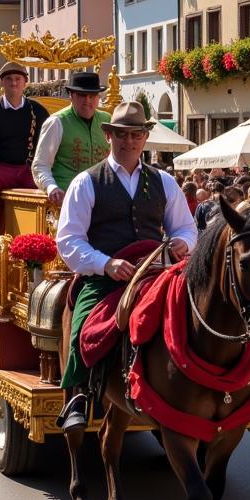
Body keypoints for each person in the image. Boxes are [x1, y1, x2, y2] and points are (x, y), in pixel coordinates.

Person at [55, 101, 197, 431]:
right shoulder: (86, 182)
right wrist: (106, 263)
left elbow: (187, 228)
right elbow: (69, 241)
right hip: (108, 277)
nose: (128, 141)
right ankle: (78, 395)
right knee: (83, 320)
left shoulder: (163, 181)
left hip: (155, 272)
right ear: (109, 136)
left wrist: (183, 242)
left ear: (145, 138)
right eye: (121, 134)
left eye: (135, 134)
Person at [0, 61, 48, 242]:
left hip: (28, 168)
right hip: (0, 168)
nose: (14, 83)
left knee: (49, 185)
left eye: (18, 79)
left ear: (25, 82)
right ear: (2, 83)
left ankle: (43, 241)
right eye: (9, 79)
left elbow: (48, 141)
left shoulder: (37, 110)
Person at [31, 70, 111, 206]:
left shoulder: (107, 120)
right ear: (71, 96)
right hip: (68, 200)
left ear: (98, 97)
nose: (87, 100)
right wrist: (51, 187)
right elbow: (40, 165)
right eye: (81, 95)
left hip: (102, 200)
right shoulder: (56, 122)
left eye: (92, 96)